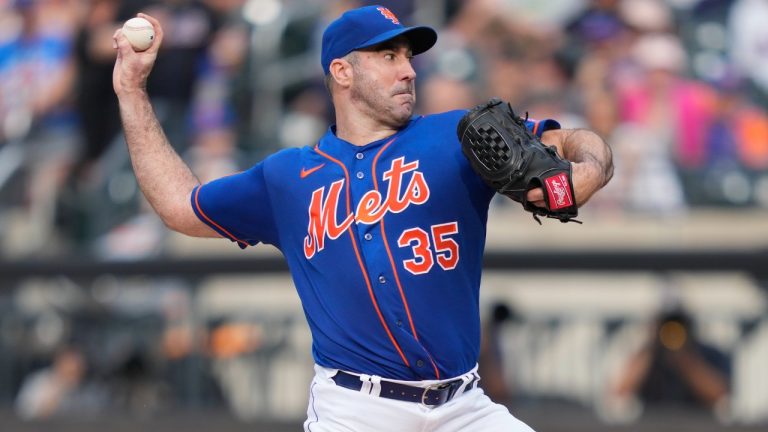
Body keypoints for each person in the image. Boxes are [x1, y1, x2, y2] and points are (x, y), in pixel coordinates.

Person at [112, 5, 613, 431]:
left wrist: (589, 168)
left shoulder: (454, 137)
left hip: (464, 408)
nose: (409, 70)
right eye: (388, 56)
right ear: (342, 72)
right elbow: (181, 206)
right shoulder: (288, 178)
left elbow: (567, 141)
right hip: (355, 411)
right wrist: (131, 91)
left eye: (409, 57)